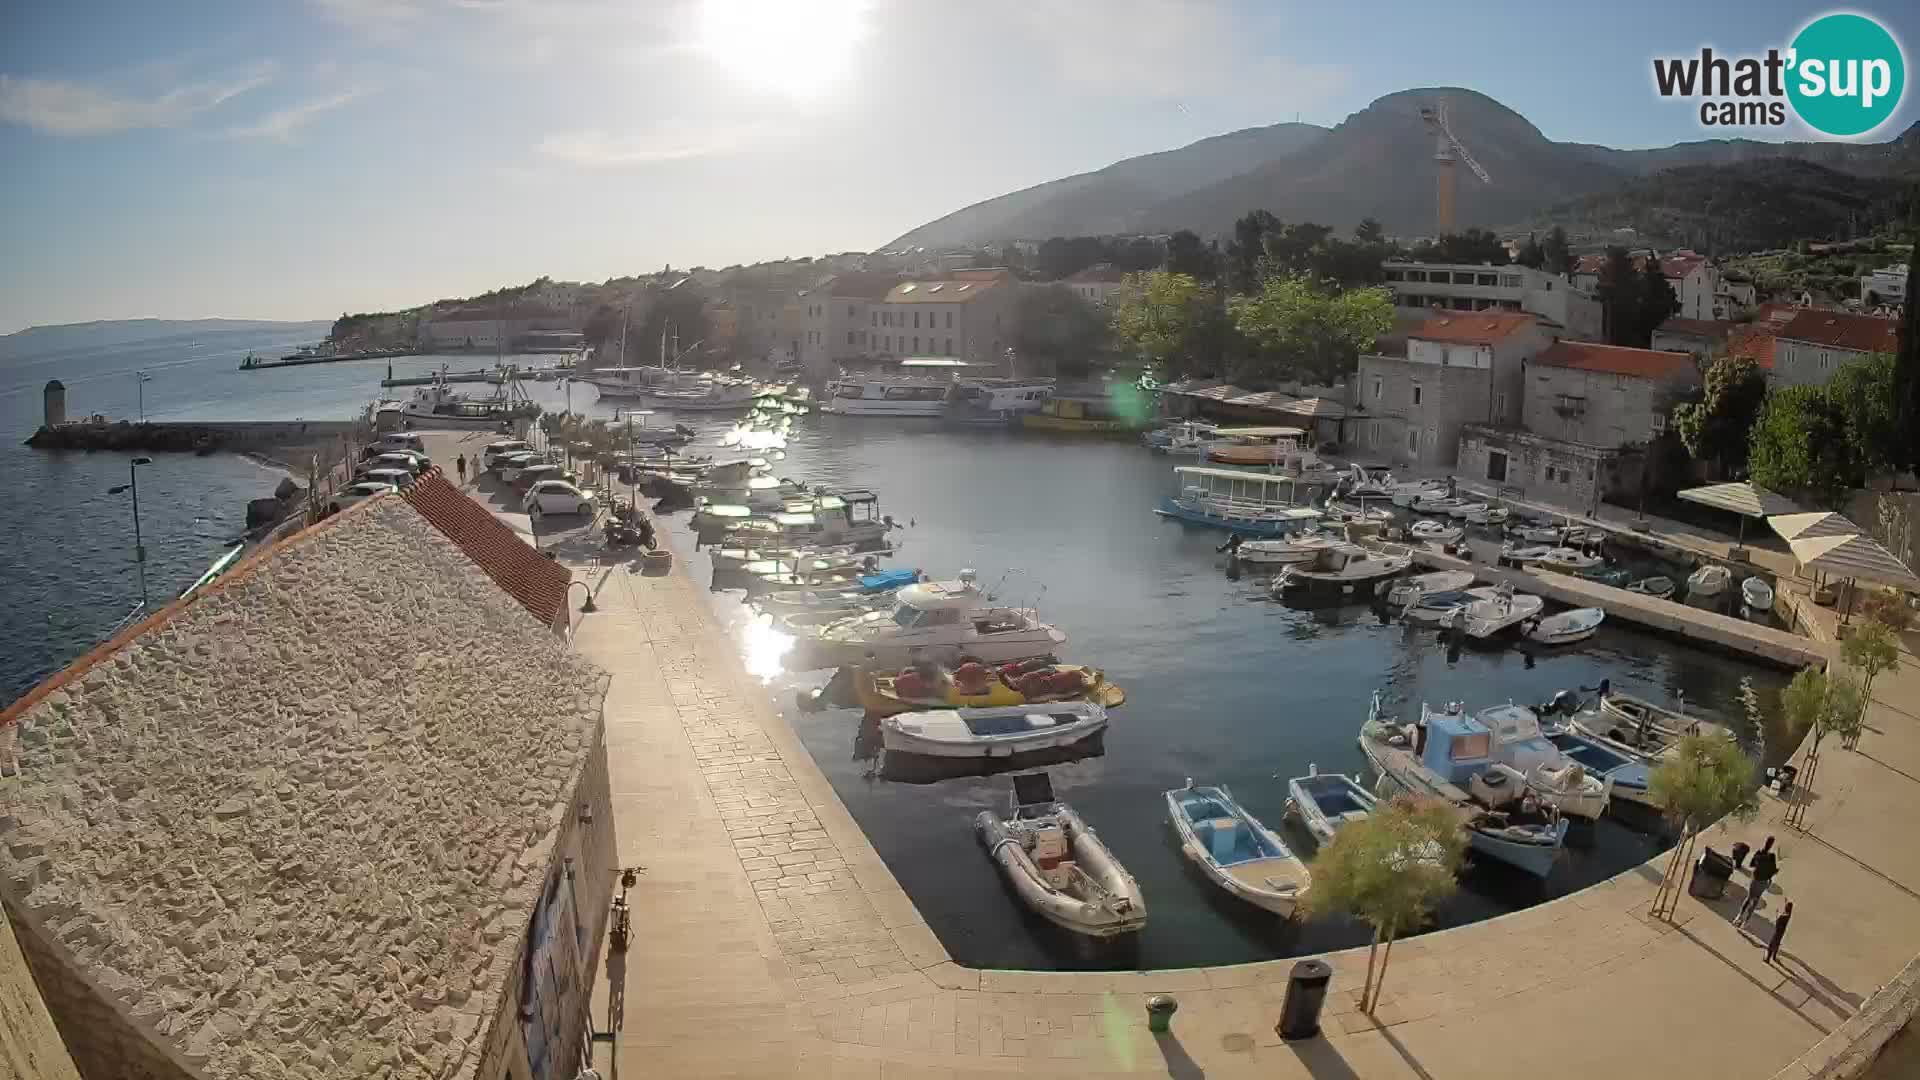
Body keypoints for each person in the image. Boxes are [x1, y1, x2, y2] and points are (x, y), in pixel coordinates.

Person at [1736, 836, 1779, 928]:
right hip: (1763, 882)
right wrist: (1775, 871)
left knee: (1749, 898)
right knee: (1755, 900)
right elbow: (1773, 871)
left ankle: (1739, 917)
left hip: (1755, 879)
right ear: (1772, 845)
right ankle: (1745, 922)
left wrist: (1759, 863)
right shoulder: (1772, 857)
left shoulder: (1759, 853)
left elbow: (1751, 864)